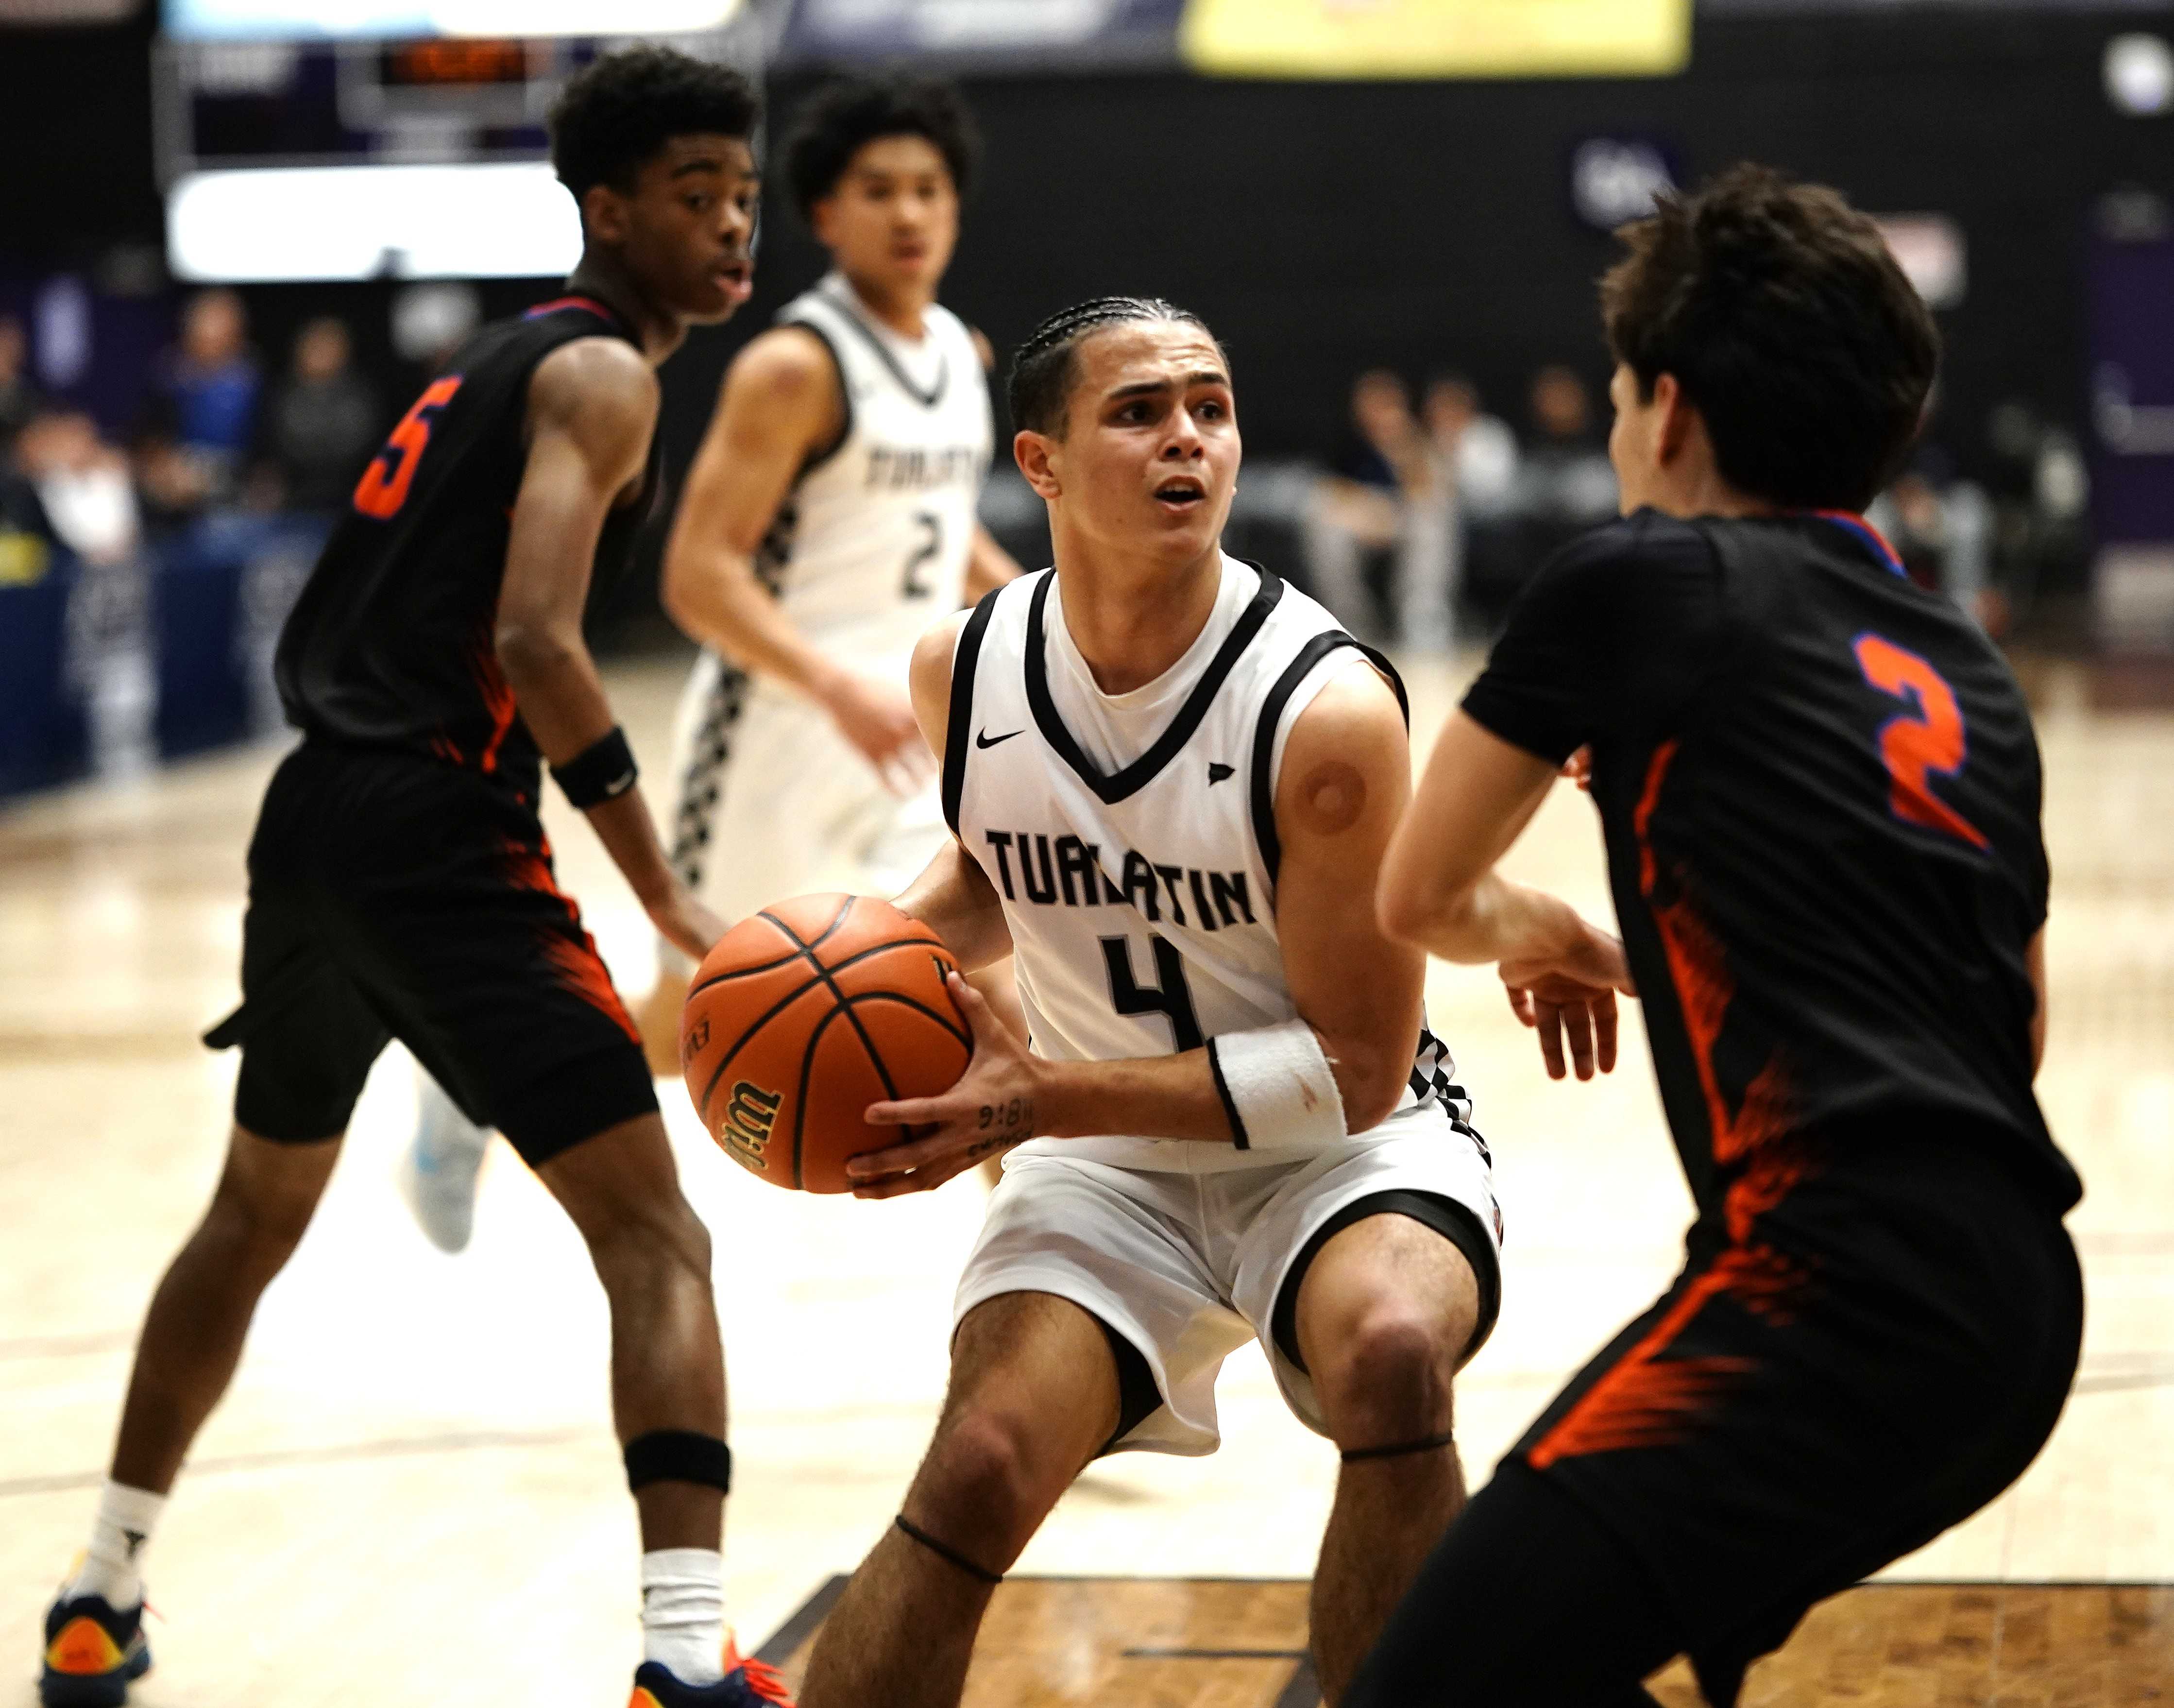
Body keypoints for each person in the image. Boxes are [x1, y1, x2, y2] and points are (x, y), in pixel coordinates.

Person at [38, 47, 794, 1708]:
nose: (735, 226)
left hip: (314, 818)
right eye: (696, 196)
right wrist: (662, 890)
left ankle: (98, 1588)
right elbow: (536, 638)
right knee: (658, 1237)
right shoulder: (602, 375)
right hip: (441, 828)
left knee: (250, 1216)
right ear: (608, 209)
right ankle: (684, 1653)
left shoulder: (492, 361)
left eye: (744, 195)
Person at [1360, 165, 2082, 1707]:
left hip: (1832, 1288)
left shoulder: (1636, 578)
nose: (1620, 436)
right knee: (1548, 1655)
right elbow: (2009, 1032)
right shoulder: (1964, 663)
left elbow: (1418, 894)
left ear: (1669, 410)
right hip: (2018, 1297)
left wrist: (1553, 927)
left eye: (1622, 400)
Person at [794, 297, 1503, 1708]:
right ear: (1041, 463)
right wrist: (843, 959)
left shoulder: (1322, 708)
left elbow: (1352, 1069)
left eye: (1210, 408)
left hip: (1341, 1153)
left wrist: (1038, 1097)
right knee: (977, 1461)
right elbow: (1001, 868)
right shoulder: (963, 669)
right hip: (1109, 1165)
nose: (1189, 437)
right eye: (1139, 411)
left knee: (1391, 1352)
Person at [398, 73, 1026, 1242]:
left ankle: (1054, 1260)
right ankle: (482, 1070)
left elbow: (941, 533)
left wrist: (1051, 619)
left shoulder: (958, 349)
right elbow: (697, 575)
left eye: (928, 189)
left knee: (983, 996)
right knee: (707, 1016)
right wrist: (835, 686)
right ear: (824, 214)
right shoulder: (795, 366)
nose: (908, 213)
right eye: (878, 190)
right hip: (773, 736)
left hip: (909, 739)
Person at [260, 317, 381, 515]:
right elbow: (280, 446)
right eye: (315, 348)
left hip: (348, 500)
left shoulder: (361, 397)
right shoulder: (283, 395)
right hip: (293, 502)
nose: (321, 355)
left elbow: (357, 449)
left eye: (329, 347)